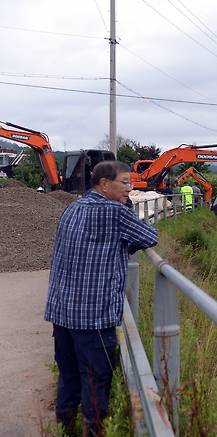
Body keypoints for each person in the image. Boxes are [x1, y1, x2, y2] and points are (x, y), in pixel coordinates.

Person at [44, 161, 158, 436]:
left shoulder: (72, 208)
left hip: (62, 313)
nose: (129, 189)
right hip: (94, 318)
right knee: (96, 383)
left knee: (69, 379)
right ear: (104, 184)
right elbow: (149, 236)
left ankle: (65, 429)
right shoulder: (115, 212)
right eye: (125, 182)